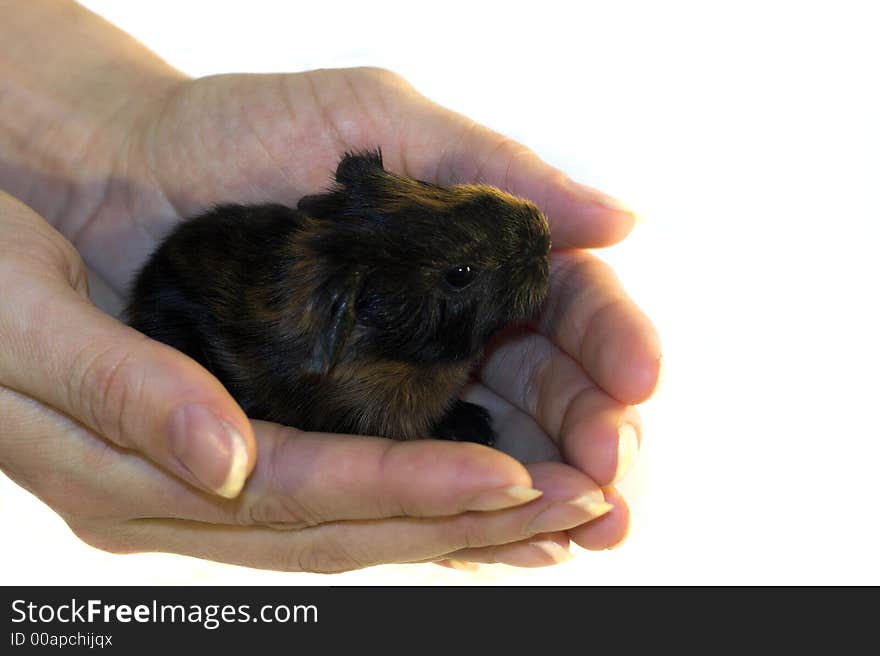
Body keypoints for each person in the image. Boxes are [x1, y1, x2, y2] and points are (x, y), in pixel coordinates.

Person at [0, 0, 661, 572]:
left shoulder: (378, 302)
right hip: (183, 304)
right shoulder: (353, 374)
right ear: (361, 313)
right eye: (460, 277)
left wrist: (115, 128)